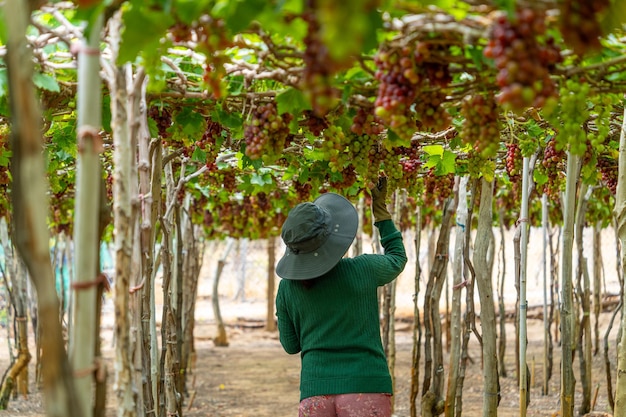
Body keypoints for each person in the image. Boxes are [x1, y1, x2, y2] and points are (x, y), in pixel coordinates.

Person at [275, 175, 407, 417]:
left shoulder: (287, 288)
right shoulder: (364, 269)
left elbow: (291, 345)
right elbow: (398, 258)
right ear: (333, 239)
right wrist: (380, 211)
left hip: (315, 392)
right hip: (367, 386)